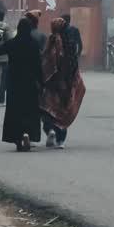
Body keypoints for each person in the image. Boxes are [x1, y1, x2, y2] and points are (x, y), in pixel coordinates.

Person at [0, 17, 43, 151]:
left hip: (14, 82)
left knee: (15, 112)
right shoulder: (34, 44)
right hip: (30, 83)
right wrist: (42, 84)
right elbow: (38, 66)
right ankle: (27, 133)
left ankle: (17, 139)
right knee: (30, 111)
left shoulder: (12, 43)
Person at [40, 18, 86, 148]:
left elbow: (45, 61)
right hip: (66, 85)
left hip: (52, 85)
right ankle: (61, 140)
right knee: (63, 112)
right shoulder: (70, 44)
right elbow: (74, 64)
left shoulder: (51, 41)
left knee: (48, 110)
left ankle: (50, 130)